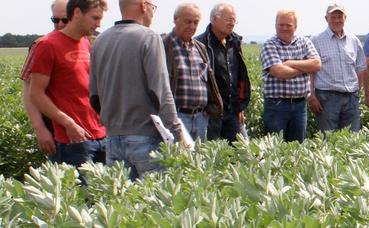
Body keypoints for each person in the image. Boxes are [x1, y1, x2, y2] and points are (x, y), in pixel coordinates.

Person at [90, 0, 186, 180]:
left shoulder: (99, 41)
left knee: (122, 203)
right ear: (143, 5)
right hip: (146, 137)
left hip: (112, 138)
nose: (152, 11)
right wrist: (178, 132)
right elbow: (161, 91)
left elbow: (94, 97)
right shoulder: (149, 37)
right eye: (153, 6)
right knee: (154, 202)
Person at [28, 0, 107, 169]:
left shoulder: (86, 43)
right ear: (77, 12)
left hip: (101, 135)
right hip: (73, 141)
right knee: (81, 195)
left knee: (104, 195)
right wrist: (68, 124)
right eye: (94, 18)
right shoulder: (47, 45)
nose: (99, 24)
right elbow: (35, 94)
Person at [163, 3, 222, 142]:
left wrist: (209, 109)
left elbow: (208, 81)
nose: (192, 26)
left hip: (200, 117)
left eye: (195, 22)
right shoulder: (164, 45)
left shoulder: (200, 48)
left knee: (198, 162)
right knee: (177, 161)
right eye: (188, 21)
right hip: (177, 117)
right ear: (175, 19)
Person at [260, 9, 322, 142]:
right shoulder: (269, 45)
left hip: (300, 106)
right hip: (276, 106)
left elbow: (316, 64)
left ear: (295, 27)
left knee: (297, 150)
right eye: (281, 24)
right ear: (275, 25)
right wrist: (304, 67)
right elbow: (280, 72)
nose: (284, 28)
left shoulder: (304, 42)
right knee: (274, 150)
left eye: (288, 25)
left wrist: (290, 63)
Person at [196, 2, 251, 142]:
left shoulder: (234, 43)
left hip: (233, 111)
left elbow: (239, 77)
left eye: (234, 20)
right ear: (214, 19)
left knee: (243, 152)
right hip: (210, 112)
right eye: (228, 19)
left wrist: (239, 106)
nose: (232, 23)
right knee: (210, 155)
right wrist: (204, 107)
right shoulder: (200, 44)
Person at [310, 4, 368, 133]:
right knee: (328, 140)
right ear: (326, 19)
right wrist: (311, 95)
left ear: (345, 18)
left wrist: (357, 89)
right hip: (326, 98)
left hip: (351, 98)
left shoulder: (354, 41)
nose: (337, 20)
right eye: (333, 17)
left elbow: (360, 67)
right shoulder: (316, 40)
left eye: (340, 16)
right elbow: (310, 73)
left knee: (352, 141)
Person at [21, 0, 68, 157]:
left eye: (65, 20)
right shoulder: (41, 45)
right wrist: (40, 128)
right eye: (55, 20)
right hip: (55, 129)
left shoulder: (88, 44)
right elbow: (29, 93)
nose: (60, 24)